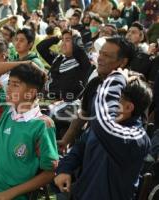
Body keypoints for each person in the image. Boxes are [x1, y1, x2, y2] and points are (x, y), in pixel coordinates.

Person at [54, 69, 152, 200]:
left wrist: (117, 78)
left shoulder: (135, 138)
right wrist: (65, 169)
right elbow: (79, 148)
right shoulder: (101, 126)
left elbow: (104, 124)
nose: (102, 105)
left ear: (128, 107)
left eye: (114, 100)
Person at [0, 61, 59, 199]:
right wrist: (27, 63)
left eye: (15, 85)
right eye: (9, 83)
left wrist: (6, 195)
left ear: (31, 93)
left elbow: (50, 173)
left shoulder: (42, 125)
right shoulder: (6, 109)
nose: (8, 88)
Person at [37, 29, 91, 102]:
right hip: (47, 99)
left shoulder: (82, 62)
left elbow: (79, 50)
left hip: (67, 105)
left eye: (68, 40)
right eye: (63, 40)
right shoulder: (58, 59)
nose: (63, 43)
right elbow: (41, 47)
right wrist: (58, 38)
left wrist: (76, 37)